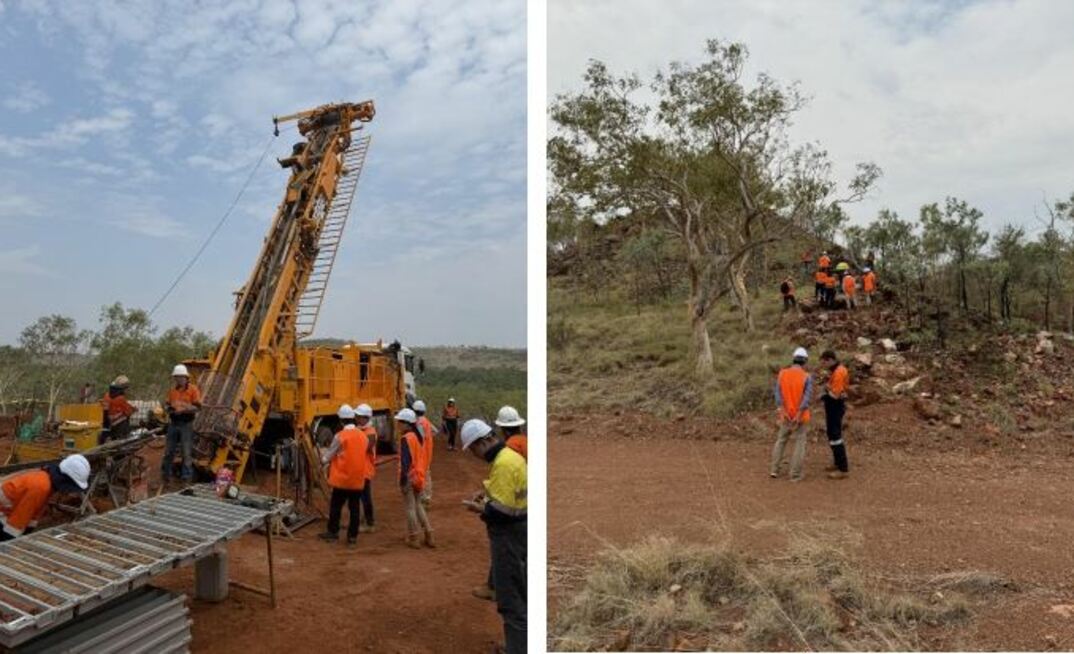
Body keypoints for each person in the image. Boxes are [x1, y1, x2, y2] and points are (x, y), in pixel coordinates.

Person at [461, 419, 527, 654]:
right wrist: (487, 492)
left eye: (472, 450)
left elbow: (504, 510)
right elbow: (511, 493)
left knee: (512, 603)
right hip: (519, 533)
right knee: (521, 594)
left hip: (510, 537)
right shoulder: (509, 456)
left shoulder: (503, 463)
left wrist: (479, 508)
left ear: (482, 443)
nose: (475, 456)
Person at [0, 454, 91, 540]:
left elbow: (34, 513)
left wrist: (28, 533)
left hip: (7, 510)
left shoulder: (47, 484)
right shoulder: (40, 487)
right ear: (66, 481)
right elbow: (18, 519)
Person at [319, 404, 370, 545]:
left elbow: (328, 457)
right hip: (357, 479)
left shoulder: (340, 436)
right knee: (354, 508)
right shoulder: (363, 436)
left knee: (336, 506)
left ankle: (333, 532)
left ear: (341, 420)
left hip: (342, 479)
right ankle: (352, 537)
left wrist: (321, 459)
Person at [770, 347, 814, 482]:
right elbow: (806, 399)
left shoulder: (782, 373)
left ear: (793, 359)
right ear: (805, 361)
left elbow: (778, 394)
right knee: (800, 442)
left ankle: (774, 469)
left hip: (785, 415)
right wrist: (798, 415)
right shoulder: (806, 376)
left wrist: (782, 410)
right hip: (801, 417)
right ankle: (795, 475)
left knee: (781, 440)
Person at [396, 408, 433, 548]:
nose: (398, 424)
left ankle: (414, 538)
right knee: (418, 506)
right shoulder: (418, 437)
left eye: (400, 422)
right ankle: (429, 535)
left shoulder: (406, 438)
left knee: (410, 508)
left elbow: (405, 461)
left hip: (409, 477)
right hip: (418, 476)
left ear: (407, 423)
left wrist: (402, 479)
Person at [163, 364, 201, 484]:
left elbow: (197, 407)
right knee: (169, 451)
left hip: (186, 424)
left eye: (181, 377)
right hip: (173, 424)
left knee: (186, 452)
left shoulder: (193, 390)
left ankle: (186, 478)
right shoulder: (172, 391)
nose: (179, 379)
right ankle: (166, 475)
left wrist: (184, 409)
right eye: (177, 377)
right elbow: (167, 404)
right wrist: (169, 409)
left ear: (186, 377)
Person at [819, 350, 850, 480]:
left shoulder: (838, 372)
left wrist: (826, 390)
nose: (823, 365)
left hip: (835, 407)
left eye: (824, 362)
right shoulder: (837, 370)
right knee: (832, 434)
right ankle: (837, 463)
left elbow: (835, 395)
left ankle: (843, 469)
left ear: (829, 359)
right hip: (834, 407)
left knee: (835, 436)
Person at [354, 403, 378, 533]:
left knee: (365, 497)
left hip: (365, 470)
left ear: (366, 418)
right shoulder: (361, 430)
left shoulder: (370, 433)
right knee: (361, 496)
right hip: (359, 469)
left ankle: (370, 522)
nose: (356, 418)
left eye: (359, 416)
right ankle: (365, 519)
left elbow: (364, 449)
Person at [413, 400, 436, 506]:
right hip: (428, 452)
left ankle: (423, 497)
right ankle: (427, 496)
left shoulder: (418, 423)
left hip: (421, 454)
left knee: (421, 474)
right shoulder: (426, 421)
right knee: (427, 474)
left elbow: (420, 438)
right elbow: (435, 431)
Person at [100, 375, 135, 444]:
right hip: (120, 426)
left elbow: (106, 409)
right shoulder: (120, 398)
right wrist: (133, 409)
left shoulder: (107, 396)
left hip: (108, 424)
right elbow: (128, 411)